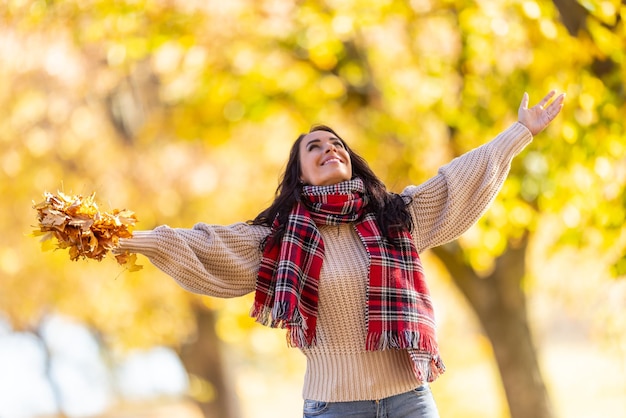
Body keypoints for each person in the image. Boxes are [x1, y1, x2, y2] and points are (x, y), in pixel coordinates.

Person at [117, 90, 565, 418]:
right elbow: (203, 244)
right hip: (335, 407)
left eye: (336, 145)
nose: (330, 149)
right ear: (301, 175)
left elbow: (456, 182)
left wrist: (519, 132)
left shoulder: (395, 217)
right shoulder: (276, 240)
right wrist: (119, 237)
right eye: (315, 147)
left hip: (410, 400)